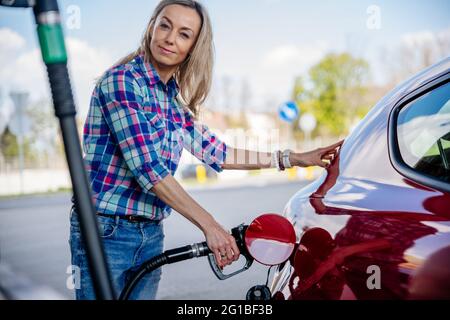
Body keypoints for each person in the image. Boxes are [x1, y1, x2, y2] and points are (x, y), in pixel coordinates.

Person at [69, 0, 343, 300]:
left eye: (184, 34)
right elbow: (150, 171)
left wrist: (293, 158)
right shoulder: (122, 83)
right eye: (164, 25)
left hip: (149, 233)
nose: (170, 38)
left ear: (193, 47)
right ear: (151, 27)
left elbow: (220, 154)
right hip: (106, 232)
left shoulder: (171, 102)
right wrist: (210, 226)